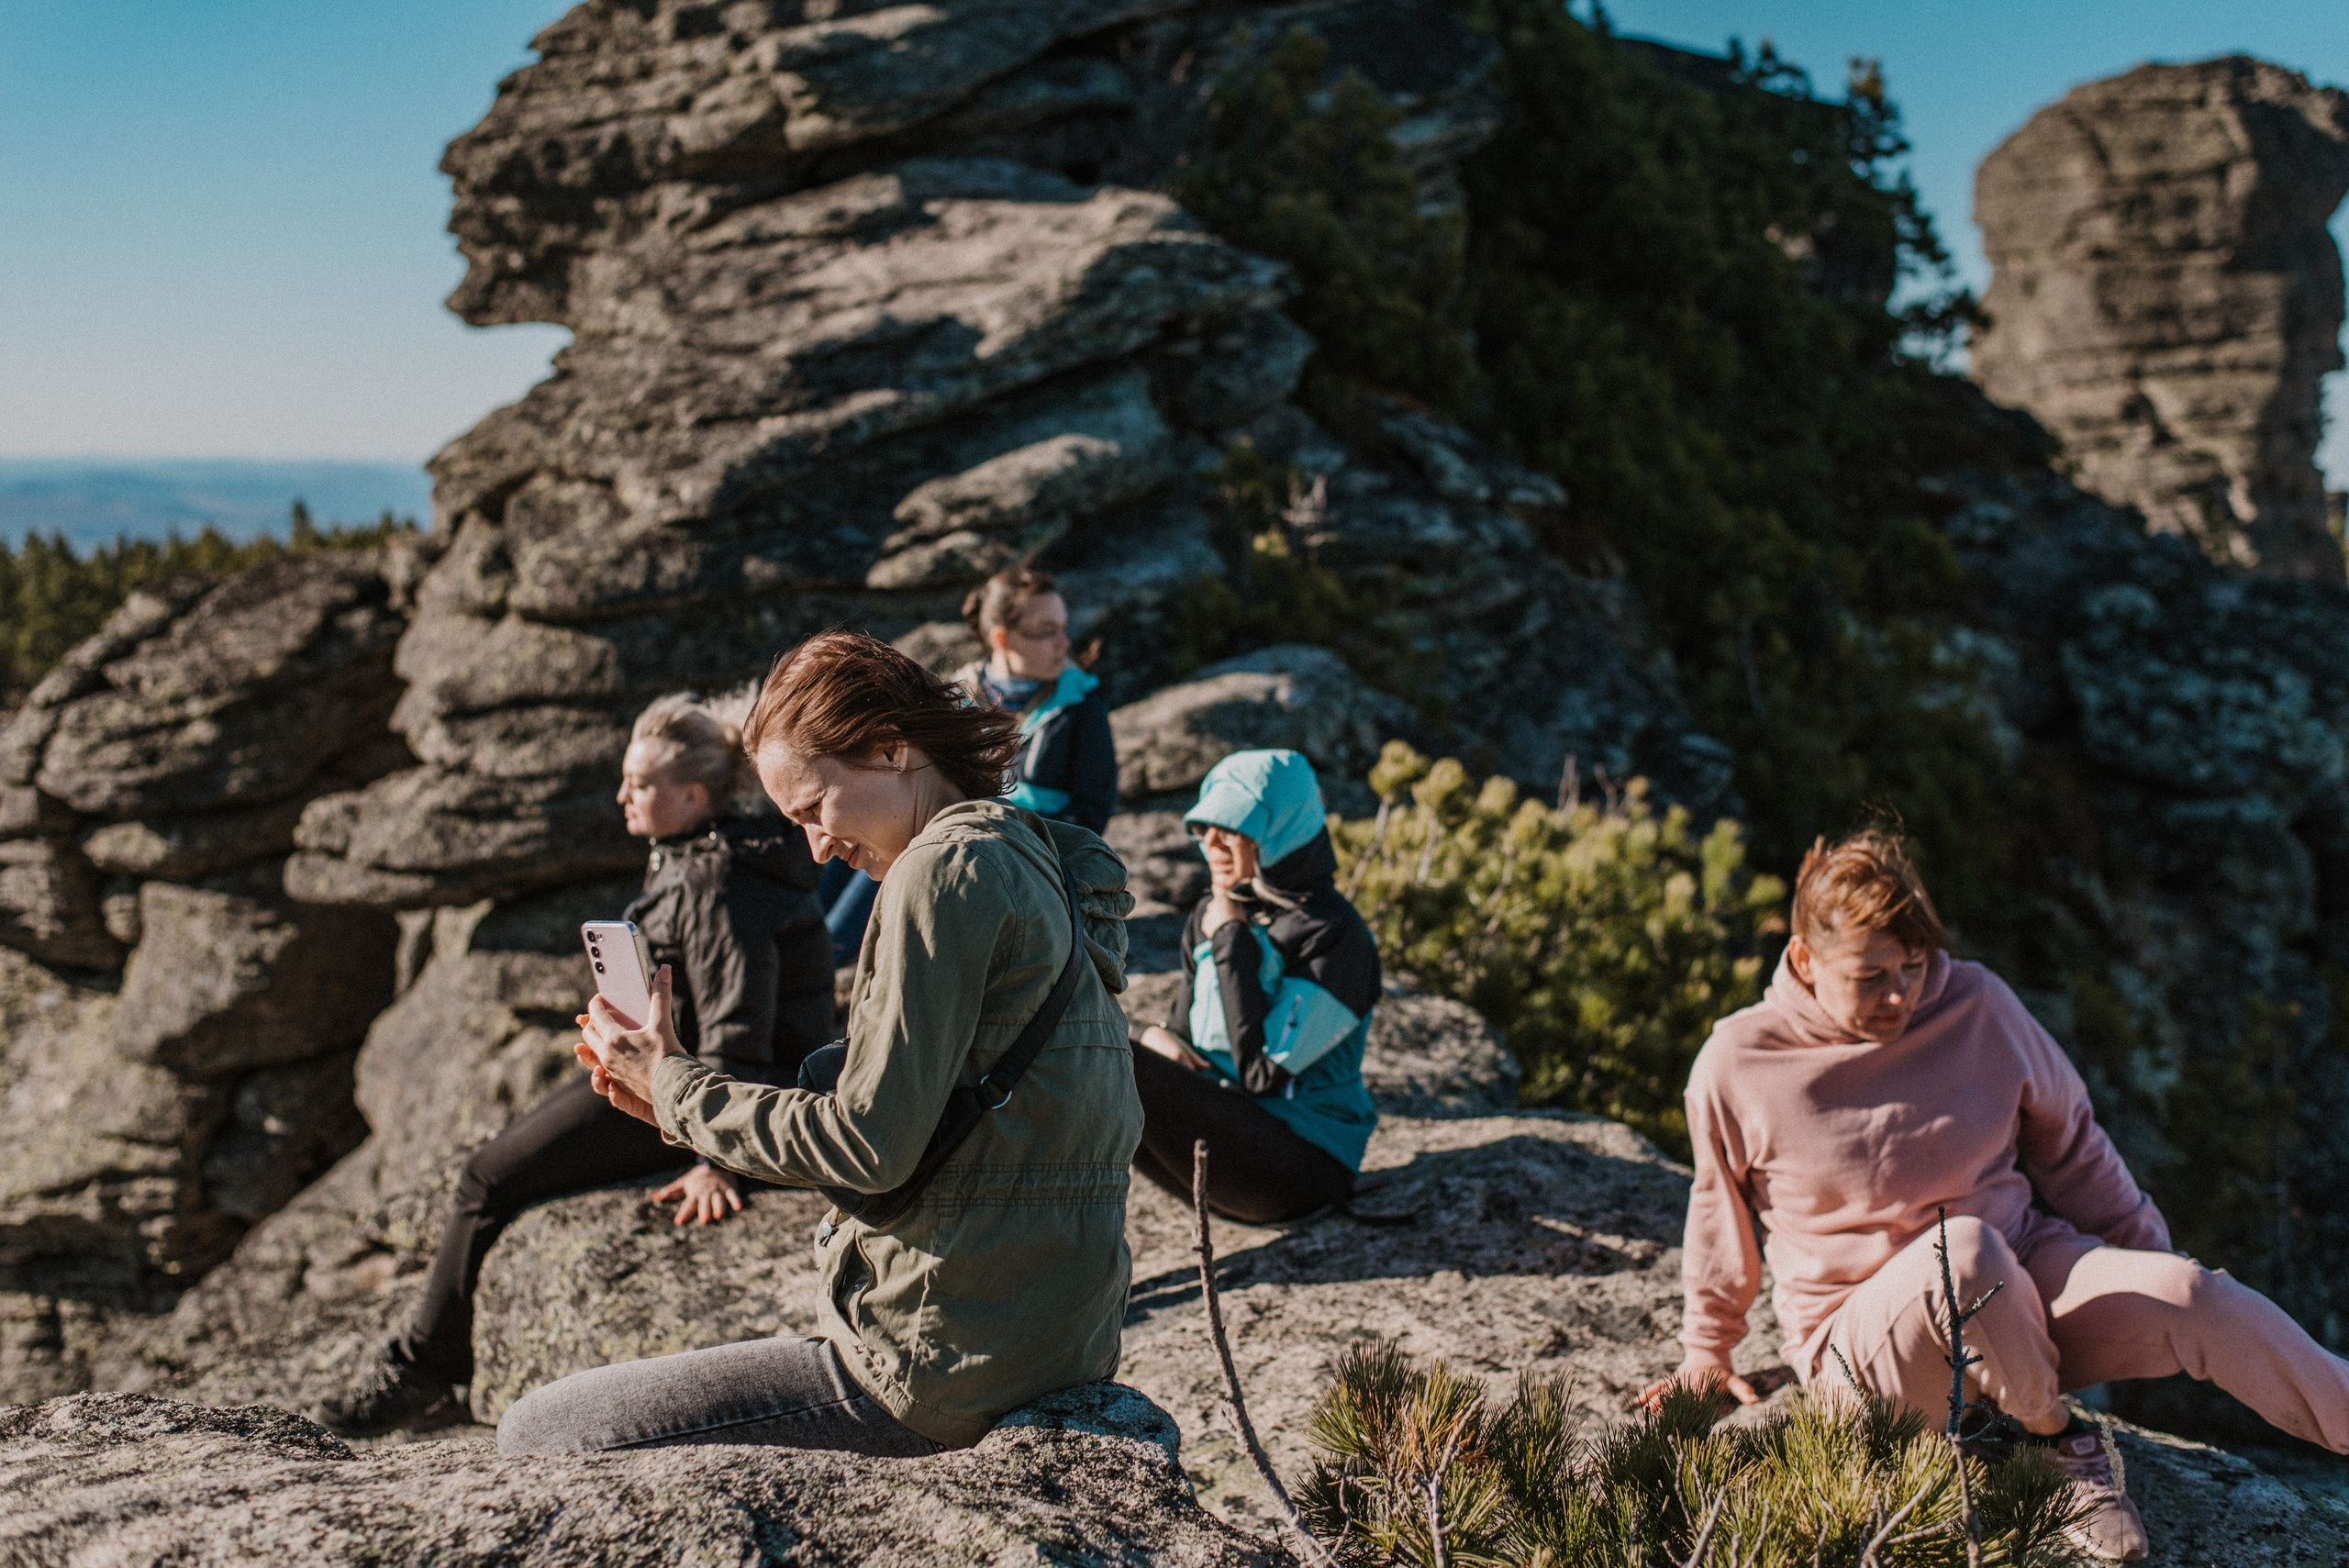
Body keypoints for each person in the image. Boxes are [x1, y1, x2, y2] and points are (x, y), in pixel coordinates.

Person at [498, 630, 1141, 1458]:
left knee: (541, 1431)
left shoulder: (939, 872)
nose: (816, 845)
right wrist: (670, 1102)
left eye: (814, 807)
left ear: (890, 746)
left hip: (939, 1369)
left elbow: (868, 1143)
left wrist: (676, 1086)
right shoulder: (1035, 855)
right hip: (1052, 1342)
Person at [1638, 830, 2349, 1562]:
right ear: (1804, 958)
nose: (1899, 995)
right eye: (1870, 974)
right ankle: (2055, 1446)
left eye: (1914, 967)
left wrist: (2148, 1273)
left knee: (2194, 1292)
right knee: (1964, 1251)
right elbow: (1714, 1209)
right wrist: (1706, 1349)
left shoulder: (1978, 1004)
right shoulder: (1738, 1061)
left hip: (2022, 1284)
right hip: (1868, 1355)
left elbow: (2074, 1146)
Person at [314, 693, 833, 1438]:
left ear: (692, 795)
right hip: (675, 1071)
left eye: (640, 783)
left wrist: (718, 1153)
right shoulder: (703, 853)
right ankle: (423, 1362)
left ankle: (418, 1371)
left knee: (486, 1178)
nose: (622, 795)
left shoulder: (719, 876)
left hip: (714, 1089)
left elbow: (739, 1018)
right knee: (494, 1167)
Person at [1130, 749, 1379, 1224]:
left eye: (1234, 828)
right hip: (1220, 1158)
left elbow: (1261, 1074)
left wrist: (1230, 943)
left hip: (1303, 1171)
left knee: (1107, 1056)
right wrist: (1151, 1034)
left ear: (1283, 832)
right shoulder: (1214, 912)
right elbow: (1185, 1033)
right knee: (1082, 1050)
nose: (1212, 844)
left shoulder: (1336, 936)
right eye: (1205, 827)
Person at [953, 563, 1117, 835]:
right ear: (1002, 639)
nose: (1064, 643)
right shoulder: (953, 703)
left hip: (1045, 861)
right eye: (1046, 631)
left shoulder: (1082, 705)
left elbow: (1091, 811)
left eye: (1063, 628)